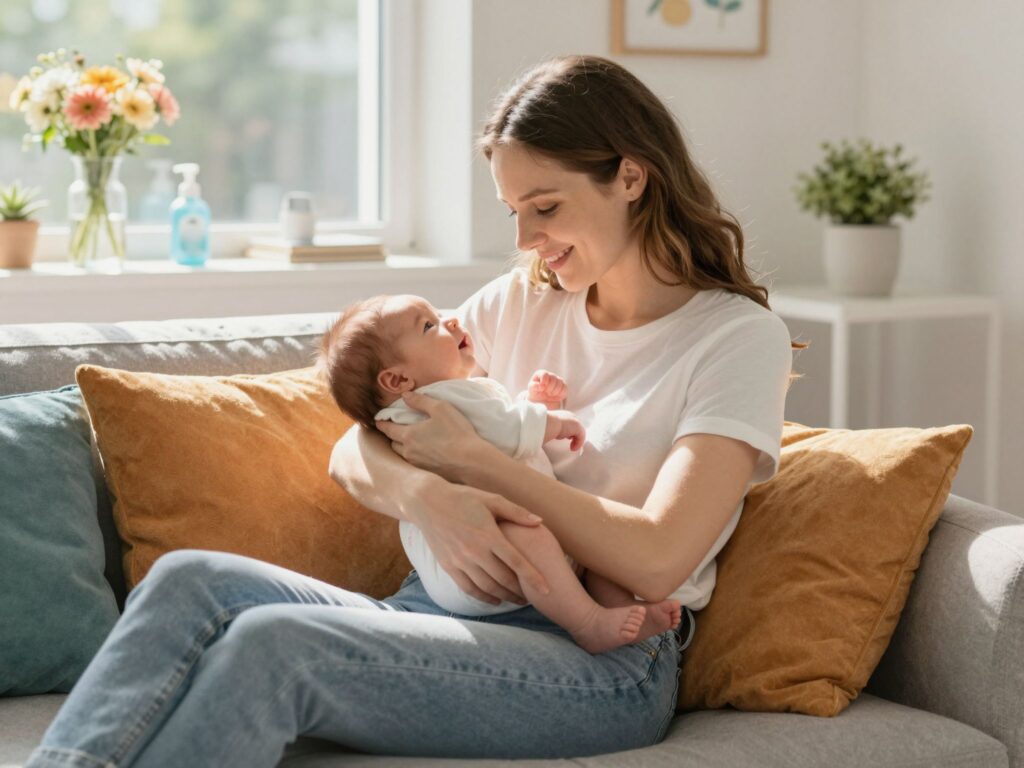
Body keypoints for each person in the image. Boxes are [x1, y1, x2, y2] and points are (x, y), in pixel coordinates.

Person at [27, 54, 793, 767]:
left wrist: (480, 463)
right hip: (435, 609)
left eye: (545, 206)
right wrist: (429, 497)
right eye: (513, 211)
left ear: (631, 176)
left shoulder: (734, 337)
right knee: (187, 579)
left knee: (274, 645)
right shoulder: (519, 303)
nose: (526, 239)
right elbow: (356, 447)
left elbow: (659, 556)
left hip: (602, 658)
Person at [317, 293, 682, 654]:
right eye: (429, 326)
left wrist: (532, 404)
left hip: (459, 572)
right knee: (543, 542)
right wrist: (553, 422)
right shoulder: (442, 399)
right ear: (397, 380)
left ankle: (619, 614)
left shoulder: (421, 407)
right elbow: (506, 432)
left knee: (592, 547)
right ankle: (588, 622)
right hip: (480, 567)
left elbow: (496, 430)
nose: (452, 320)